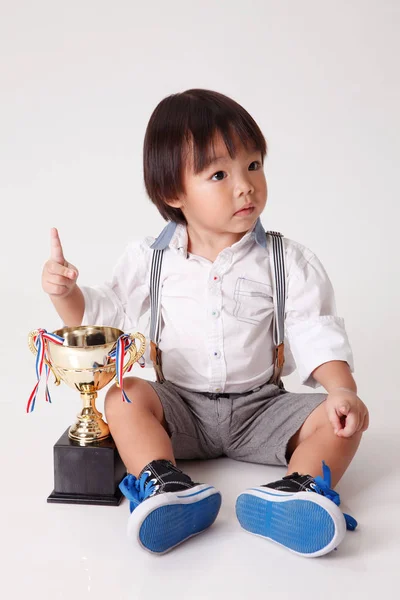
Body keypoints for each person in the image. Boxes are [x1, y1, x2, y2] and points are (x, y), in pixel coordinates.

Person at [42, 88, 369, 557]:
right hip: (181, 409)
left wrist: (341, 390)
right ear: (174, 192)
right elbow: (100, 318)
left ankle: (299, 492)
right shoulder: (149, 259)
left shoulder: (285, 259)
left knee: (343, 421)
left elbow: (316, 330)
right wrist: (66, 292)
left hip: (262, 409)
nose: (245, 186)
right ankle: (164, 486)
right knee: (123, 395)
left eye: (253, 165)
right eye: (219, 174)